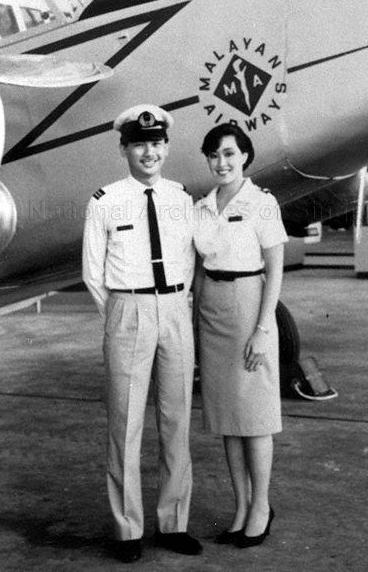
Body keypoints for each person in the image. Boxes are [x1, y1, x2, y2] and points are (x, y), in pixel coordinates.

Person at [82, 104, 202, 563]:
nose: (149, 153)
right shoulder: (104, 201)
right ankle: (127, 529)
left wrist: (178, 302)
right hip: (126, 308)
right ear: (124, 150)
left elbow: (188, 257)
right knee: (125, 425)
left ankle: (174, 523)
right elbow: (93, 272)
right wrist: (122, 311)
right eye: (138, 145)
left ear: (166, 147)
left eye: (156, 144)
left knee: (176, 421)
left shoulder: (181, 197)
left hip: (174, 309)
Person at [193, 122, 288, 549]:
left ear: (245, 156)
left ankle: (261, 506)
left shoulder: (261, 202)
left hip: (249, 305)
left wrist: (263, 329)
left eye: (229, 153)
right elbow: (199, 268)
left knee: (255, 416)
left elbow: (275, 268)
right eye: (214, 155)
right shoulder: (202, 206)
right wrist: (196, 321)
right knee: (228, 419)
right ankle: (241, 506)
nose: (222, 163)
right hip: (212, 309)